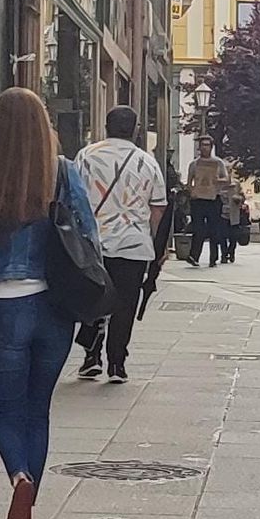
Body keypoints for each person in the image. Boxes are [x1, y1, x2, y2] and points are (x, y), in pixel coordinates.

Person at [0, 87, 97, 519]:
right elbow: (88, 234)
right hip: (55, 305)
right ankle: (30, 498)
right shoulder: (64, 172)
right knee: (39, 409)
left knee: (8, 410)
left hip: (4, 302)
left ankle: (19, 478)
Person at [74, 106, 169, 383]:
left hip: (92, 244)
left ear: (106, 126)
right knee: (125, 304)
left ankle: (91, 357)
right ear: (136, 130)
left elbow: (74, 197)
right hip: (133, 244)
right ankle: (117, 363)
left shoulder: (85, 156)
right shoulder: (148, 162)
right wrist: (154, 244)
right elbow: (158, 208)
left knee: (93, 298)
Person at [185, 136, 230, 267]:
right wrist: (191, 191)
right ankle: (194, 256)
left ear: (211, 147)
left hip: (213, 199)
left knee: (214, 229)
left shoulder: (218, 163)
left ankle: (213, 258)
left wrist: (217, 181)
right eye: (203, 145)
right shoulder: (194, 164)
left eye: (207, 145)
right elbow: (189, 182)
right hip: (198, 199)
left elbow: (227, 179)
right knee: (198, 228)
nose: (205, 147)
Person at [221, 180, 247, 264]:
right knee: (222, 236)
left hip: (234, 213)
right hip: (223, 213)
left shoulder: (236, 183)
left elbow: (242, 196)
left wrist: (239, 199)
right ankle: (224, 255)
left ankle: (231, 252)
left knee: (234, 237)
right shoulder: (219, 181)